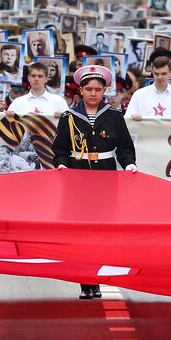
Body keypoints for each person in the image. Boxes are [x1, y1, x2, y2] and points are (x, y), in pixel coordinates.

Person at [51, 65, 137, 299]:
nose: (93, 94)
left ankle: (96, 278)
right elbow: (59, 149)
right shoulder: (70, 117)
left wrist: (129, 163)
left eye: (98, 89)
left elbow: (125, 147)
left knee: (101, 231)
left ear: (104, 91)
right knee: (80, 233)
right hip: (78, 179)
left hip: (105, 179)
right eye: (88, 89)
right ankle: (84, 280)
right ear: (80, 90)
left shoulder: (114, 116)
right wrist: (61, 164)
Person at [127, 55, 171, 120]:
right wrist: (133, 116)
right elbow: (128, 119)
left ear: (170, 73)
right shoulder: (139, 94)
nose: (160, 77)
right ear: (152, 72)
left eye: (163, 74)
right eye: (156, 74)